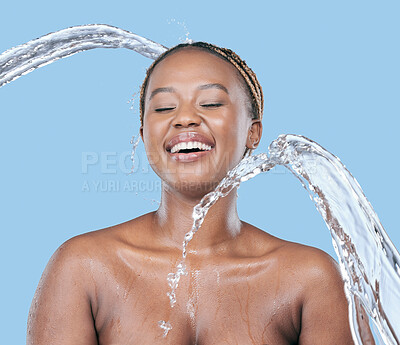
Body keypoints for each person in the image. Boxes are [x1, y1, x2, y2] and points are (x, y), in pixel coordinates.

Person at [27, 42, 355, 344]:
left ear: (253, 132)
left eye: (210, 103)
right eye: (163, 108)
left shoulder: (311, 280)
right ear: (144, 134)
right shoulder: (83, 269)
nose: (184, 119)